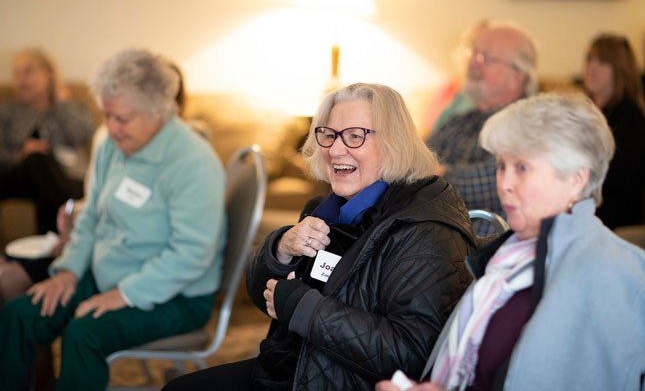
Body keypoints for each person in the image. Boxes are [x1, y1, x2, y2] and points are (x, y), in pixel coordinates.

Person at [164, 83, 476, 391]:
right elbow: (266, 297)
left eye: (355, 136)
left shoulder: (425, 231)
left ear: (395, 143)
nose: (335, 150)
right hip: (295, 367)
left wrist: (304, 306)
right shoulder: (326, 210)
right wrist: (281, 249)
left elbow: (412, 356)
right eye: (329, 134)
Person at [377, 93, 645, 391]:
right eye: (502, 166)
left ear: (576, 179)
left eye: (522, 168)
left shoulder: (613, 274)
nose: (503, 183)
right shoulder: (509, 252)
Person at [0, 48, 227, 391]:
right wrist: (68, 271)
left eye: (122, 119)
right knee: (19, 315)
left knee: (84, 334)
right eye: (106, 116)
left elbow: (192, 254)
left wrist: (125, 293)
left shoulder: (193, 162)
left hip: (176, 293)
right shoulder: (111, 146)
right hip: (111, 272)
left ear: (159, 111)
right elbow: (91, 215)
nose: (111, 129)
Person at [425, 22, 537, 234]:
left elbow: (488, 185)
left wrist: (434, 173)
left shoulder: (529, 127)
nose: (473, 64)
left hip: (481, 251)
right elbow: (416, 158)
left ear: (517, 76)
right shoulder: (461, 120)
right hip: (435, 239)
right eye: (473, 54)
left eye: (485, 57)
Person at [0, 48, 97, 234]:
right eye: (17, 73)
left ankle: (51, 242)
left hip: (65, 177)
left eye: (28, 71)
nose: (21, 80)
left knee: (44, 172)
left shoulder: (73, 106)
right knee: (37, 159)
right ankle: (63, 236)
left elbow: (85, 135)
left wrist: (61, 104)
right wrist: (21, 154)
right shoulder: (8, 111)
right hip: (18, 177)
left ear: (49, 74)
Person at [583, 33, 645, 229]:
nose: (591, 67)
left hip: (614, 218)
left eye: (602, 61)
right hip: (588, 208)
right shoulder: (587, 111)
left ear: (619, 70)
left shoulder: (629, 116)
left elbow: (619, 183)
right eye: (589, 59)